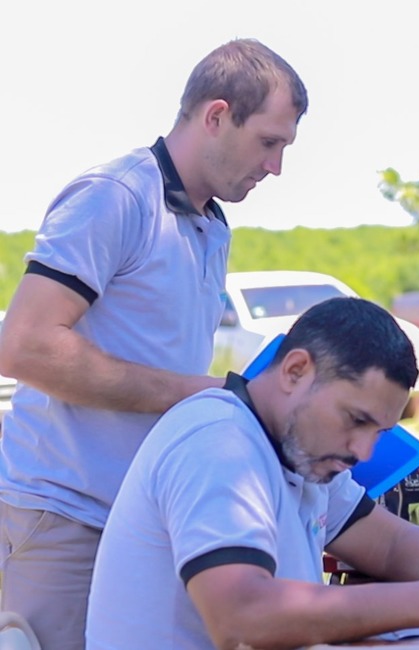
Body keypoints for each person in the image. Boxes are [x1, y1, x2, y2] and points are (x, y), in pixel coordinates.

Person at [0, 39, 307, 650]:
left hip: (142, 518)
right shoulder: (115, 196)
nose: (276, 167)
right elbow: (24, 346)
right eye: (269, 143)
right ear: (216, 115)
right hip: (62, 516)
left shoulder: (212, 222)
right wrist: (201, 396)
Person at [86, 297, 419, 649]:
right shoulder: (218, 441)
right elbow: (239, 618)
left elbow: (393, 546)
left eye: (379, 431)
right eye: (355, 421)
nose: (361, 450)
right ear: (295, 371)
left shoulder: (302, 452)